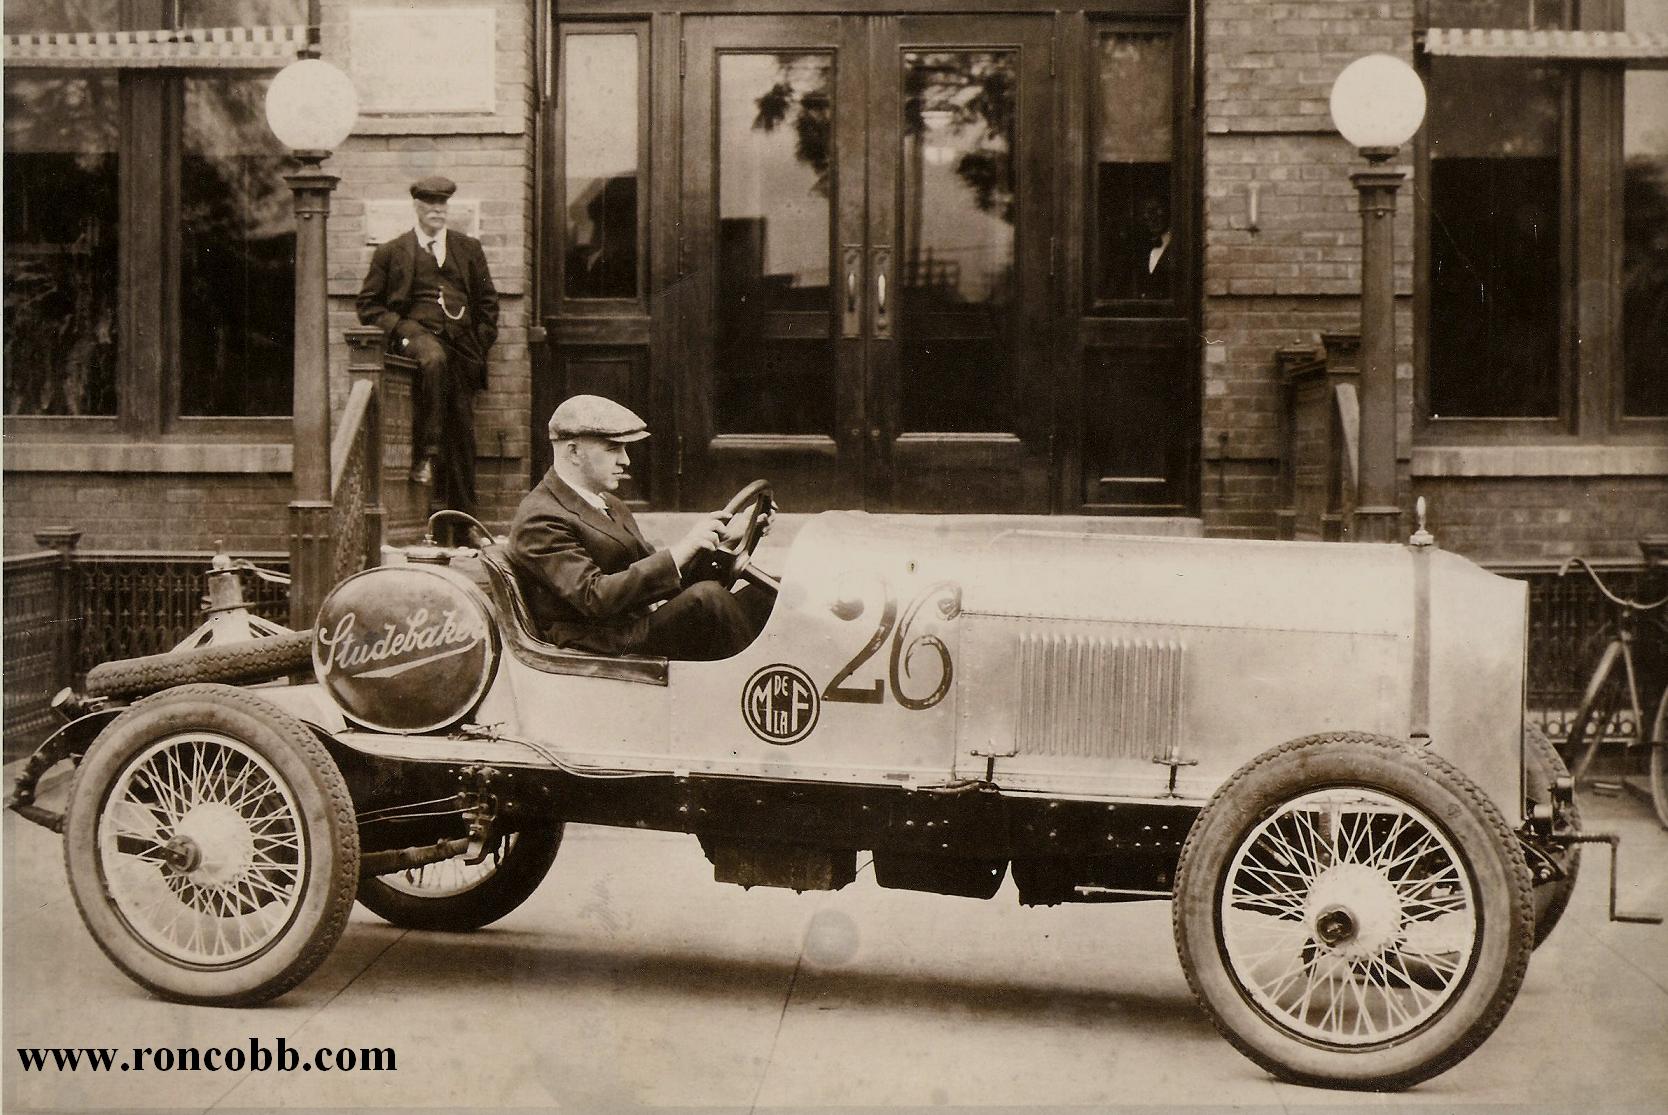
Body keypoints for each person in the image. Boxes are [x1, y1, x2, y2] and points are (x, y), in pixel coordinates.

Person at [507, 395, 773, 661]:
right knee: (708, 600)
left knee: (771, 593)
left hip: (628, 624)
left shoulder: (608, 503)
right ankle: (760, 685)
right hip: (597, 642)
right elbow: (594, 597)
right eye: (613, 449)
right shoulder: (540, 518)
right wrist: (680, 550)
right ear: (574, 452)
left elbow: (660, 583)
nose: (626, 461)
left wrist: (724, 544)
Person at [356, 175, 500, 514]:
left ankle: (464, 521)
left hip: (462, 345)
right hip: (416, 336)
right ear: (417, 207)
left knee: (463, 430)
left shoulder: (468, 249)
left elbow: (488, 302)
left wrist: (479, 343)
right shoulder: (391, 252)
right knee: (433, 360)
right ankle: (426, 454)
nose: (437, 210)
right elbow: (368, 306)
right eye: (430, 204)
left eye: (442, 204)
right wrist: (401, 328)